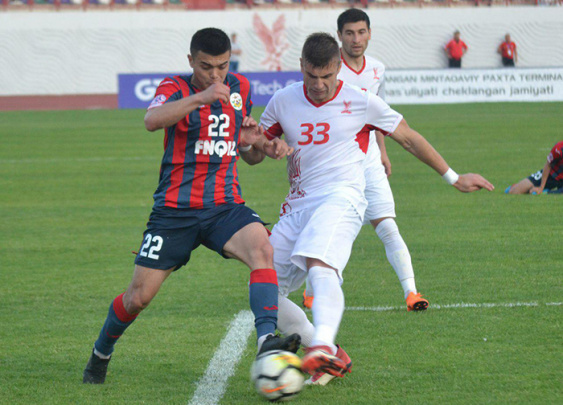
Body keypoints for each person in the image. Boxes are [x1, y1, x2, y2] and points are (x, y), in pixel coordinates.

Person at [257, 33, 494, 386]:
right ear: (302, 66)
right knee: (264, 288)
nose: (319, 85)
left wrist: (454, 177)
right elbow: (254, 151)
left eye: (327, 76)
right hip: (297, 205)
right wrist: (262, 146)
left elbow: (409, 138)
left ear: (338, 67)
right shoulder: (282, 100)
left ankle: (320, 345)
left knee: (321, 263)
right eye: (312, 76)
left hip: (342, 199)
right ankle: (330, 351)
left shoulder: (361, 101)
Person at [82, 27, 299, 385]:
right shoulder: (175, 87)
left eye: (222, 67)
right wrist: (203, 97)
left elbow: (247, 154)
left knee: (263, 249)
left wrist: (258, 144)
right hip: (174, 212)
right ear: (191, 62)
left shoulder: (241, 89)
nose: (216, 75)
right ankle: (101, 352)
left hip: (224, 205)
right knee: (138, 298)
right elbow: (152, 120)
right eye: (206, 67)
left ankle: (266, 342)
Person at [302, 8, 428, 315]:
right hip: (335, 164)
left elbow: (379, 115)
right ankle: (311, 291)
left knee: (388, 225)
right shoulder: (328, 70)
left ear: (369, 33)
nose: (356, 39)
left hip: (369, 160)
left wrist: (382, 151)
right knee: (327, 230)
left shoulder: (377, 69)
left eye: (361, 32)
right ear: (339, 36)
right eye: (349, 33)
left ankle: (411, 292)